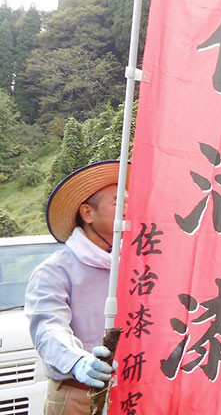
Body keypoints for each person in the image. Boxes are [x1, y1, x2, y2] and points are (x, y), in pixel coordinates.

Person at [25, 160, 127, 415]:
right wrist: (79, 361)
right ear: (87, 213)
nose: (128, 208)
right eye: (118, 202)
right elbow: (48, 327)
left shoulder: (133, 265)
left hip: (129, 393)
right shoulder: (56, 270)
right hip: (78, 394)